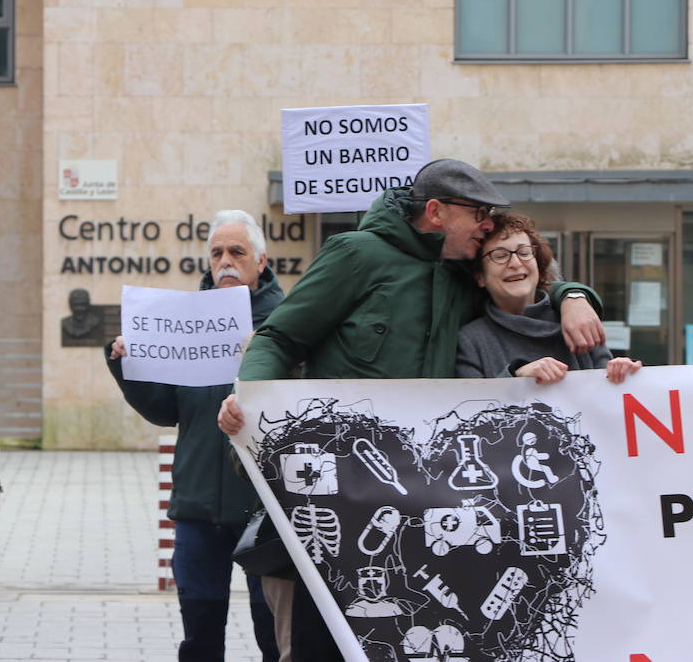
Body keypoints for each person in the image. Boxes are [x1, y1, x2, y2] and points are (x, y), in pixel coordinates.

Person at [217, 159, 605, 662]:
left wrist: (573, 296)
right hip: (342, 496)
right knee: (323, 643)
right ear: (437, 211)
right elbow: (280, 336)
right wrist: (253, 407)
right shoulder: (355, 255)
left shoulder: (463, 272)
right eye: (479, 213)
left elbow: (518, 276)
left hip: (420, 511)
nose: (488, 224)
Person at [106, 210, 282, 662]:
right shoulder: (185, 322)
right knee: (200, 639)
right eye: (217, 252)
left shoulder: (288, 323)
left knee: (274, 635)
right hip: (198, 506)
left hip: (267, 508)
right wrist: (129, 366)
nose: (225, 261)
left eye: (237, 252)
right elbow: (165, 409)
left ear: (262, 261)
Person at [456, 211, 641, 384]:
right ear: (480, 276)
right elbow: (471, 411)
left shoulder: (578, 321)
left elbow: (607, 397)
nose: (515, 263)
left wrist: (621, 374)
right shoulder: (470, 341)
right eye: (500, 255)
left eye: (524, 252)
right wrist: (517, 378)